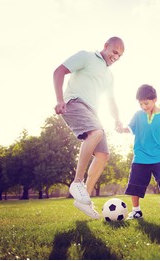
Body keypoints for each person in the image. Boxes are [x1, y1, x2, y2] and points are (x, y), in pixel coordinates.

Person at [53, 36, 125, 219]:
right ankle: (77, 182)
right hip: (74, 103)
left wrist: (117, 119)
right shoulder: (86, 57)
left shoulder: (109, 76)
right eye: (114, 52)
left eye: (120, 55)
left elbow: (111, 100)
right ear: (106, 46)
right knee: (97, 132)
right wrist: (60, 100)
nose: (116, 57)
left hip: (93, 112)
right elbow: (58, 71)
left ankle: (84, 200)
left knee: (103, 156)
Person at [118, 84, 160, 219]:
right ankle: (136, 210)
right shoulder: (138, 115)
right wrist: (121, 129)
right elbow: (130, 129)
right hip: (140, 156)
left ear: (155, 99)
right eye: (141, 104)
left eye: (146, 103)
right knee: (135, 184)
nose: (144, 106)